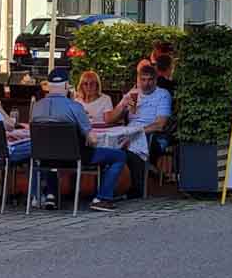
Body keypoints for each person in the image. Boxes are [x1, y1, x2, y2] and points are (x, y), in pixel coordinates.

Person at [89, 62, 171, 207]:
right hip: (128, 132)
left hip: (152, 134)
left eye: (149, 80)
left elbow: (160, 124)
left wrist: (136, 132)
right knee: (108, 146)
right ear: (138, 80)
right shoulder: (132, 94)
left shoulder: (162, 95)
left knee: (128, 148)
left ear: (155, 80)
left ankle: (135, 189)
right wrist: (122, 106)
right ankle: (103, 188)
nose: (146, 84)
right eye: (143, 80)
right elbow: (109, 119)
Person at [26, 76, 92, 209]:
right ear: (67, 86)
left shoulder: (36, 107)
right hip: (73, 158)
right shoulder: (75, 107)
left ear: (48, 86)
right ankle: (102, 198)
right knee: (118, 156)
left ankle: (48, 195)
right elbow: (92, 139)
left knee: (50, 155)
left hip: (44, 157)